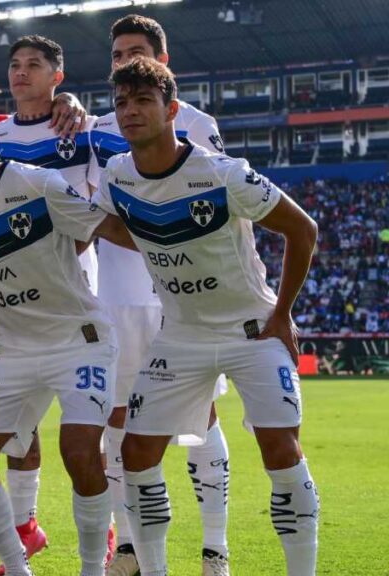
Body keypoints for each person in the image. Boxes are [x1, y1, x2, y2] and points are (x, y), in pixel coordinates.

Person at [94, 57, 319, 576]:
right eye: (122, 103)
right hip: (180, 336)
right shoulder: (117, 174)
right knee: (136, 454)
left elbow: (303, 229)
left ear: (172, 109)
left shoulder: (222, 173)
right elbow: (104, 223)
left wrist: (282, 312)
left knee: (281, 452)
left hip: (252, 331)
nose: (130, 112)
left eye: (143, 101)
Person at [0, 97, 136, 576]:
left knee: (79, 451)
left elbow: (102, 227)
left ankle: (92, 570)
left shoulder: (37, 184)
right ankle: (18, 568)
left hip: (78, 341)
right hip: (14, 353)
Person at [86, 15, 233, 575]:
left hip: (182, 296)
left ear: (162, 60)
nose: (126, 61)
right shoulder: (97, 126)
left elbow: (214, 200)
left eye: (137, 51)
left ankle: (215, 548)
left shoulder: (195, 121)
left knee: (201, 420)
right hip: (117, 295)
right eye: (118, 54)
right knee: (117, 421)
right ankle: (127, 547)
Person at [0, 35, 102, 568]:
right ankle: (25, 525)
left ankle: (105, 533)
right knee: (17, 427)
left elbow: (95, 210)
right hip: (13, 298)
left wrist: (77, 104)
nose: (21, 72)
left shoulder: (85, 130)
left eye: (34, 65)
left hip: (77, 293)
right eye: (15, 64)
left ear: (58, 76)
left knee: (88, 427)